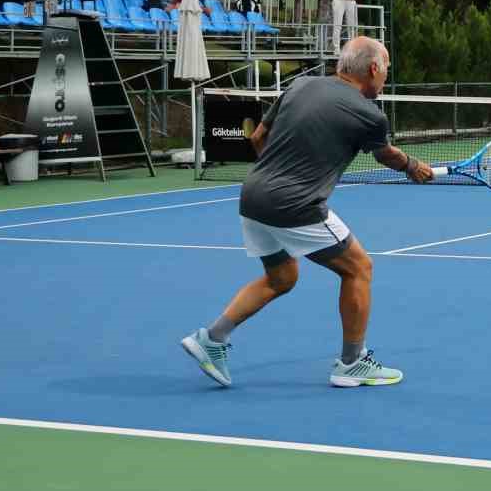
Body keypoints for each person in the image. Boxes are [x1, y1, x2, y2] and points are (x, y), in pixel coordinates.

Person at [180, 36, 435, 389]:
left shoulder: (299, 85)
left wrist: (278, 173)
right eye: (387, 66)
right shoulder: (370, 115)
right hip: (295, 204)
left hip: (252, 196)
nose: (387, 73)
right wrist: (413, 166)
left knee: (281, 278)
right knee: (359, 268)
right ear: (373, 68)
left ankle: (212, 339)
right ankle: (352, 363)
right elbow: (385, 155)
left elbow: (257, 138)